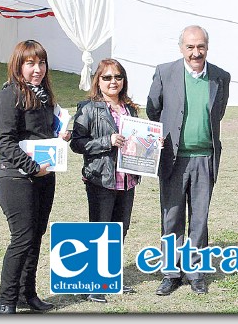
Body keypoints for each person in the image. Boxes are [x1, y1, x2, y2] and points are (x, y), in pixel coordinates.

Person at [146, 25, 230, 295]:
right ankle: (171, 272)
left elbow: (219, 112)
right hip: (173, 158)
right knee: (171, 217)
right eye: (190, 47)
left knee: (200, 219)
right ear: (181, 47)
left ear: (207, 46)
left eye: (201, 46)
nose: (196, 52)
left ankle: (195, 272)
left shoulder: (221, 77)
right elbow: (152, 109)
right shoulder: (164, 72)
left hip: (205, 158)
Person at [0, 40, 71, 314]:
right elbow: (5, 142)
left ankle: (27, 293)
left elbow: (40, 135)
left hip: (44, 178)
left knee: (36, 235)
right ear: (18, 65)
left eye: (41, 63)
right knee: (22, 238)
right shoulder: (7, 96)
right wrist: (32, 167)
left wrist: (60, 137)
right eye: (30, 63)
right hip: (16, 179)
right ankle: (5, 300)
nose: (37, 69)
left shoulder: (44, 96)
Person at [70, 58, 140, 303]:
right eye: (107, 77)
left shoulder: (130, 108)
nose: (113, 82)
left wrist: (152, 145)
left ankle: (110, 278)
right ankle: (93, 283)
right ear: (97, 81)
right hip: (101, 178)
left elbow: (138, 141)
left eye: (118, 77)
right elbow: (77, 144)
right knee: (100, 230)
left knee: (119, 231)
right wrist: (106, 142)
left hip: (127, 179)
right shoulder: (88, 108)